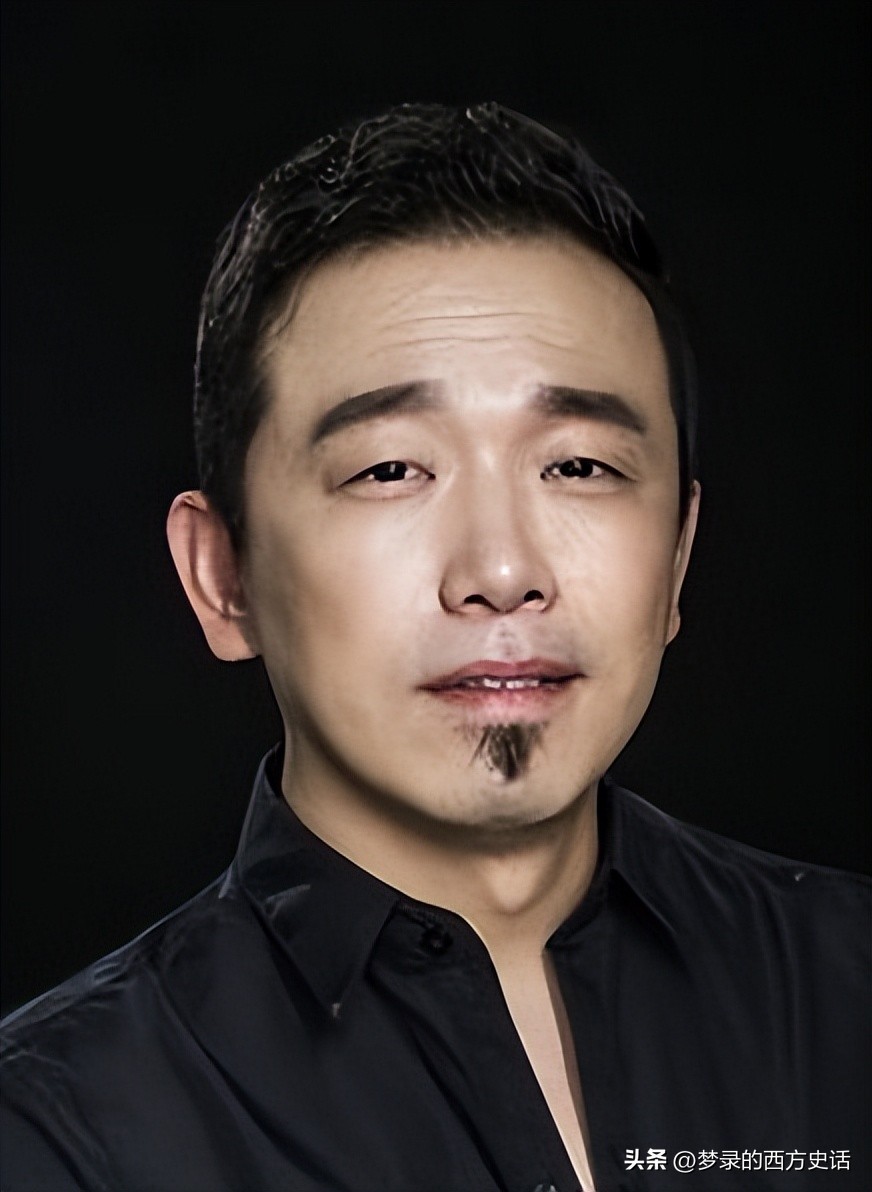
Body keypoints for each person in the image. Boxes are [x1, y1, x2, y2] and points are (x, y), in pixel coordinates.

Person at [1, 102, 868, 1192]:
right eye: (389, 470)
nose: (501, 571)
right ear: (222, 576)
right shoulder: (57, 1135)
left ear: (678, 557)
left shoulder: (847, 991)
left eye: (579, 466)